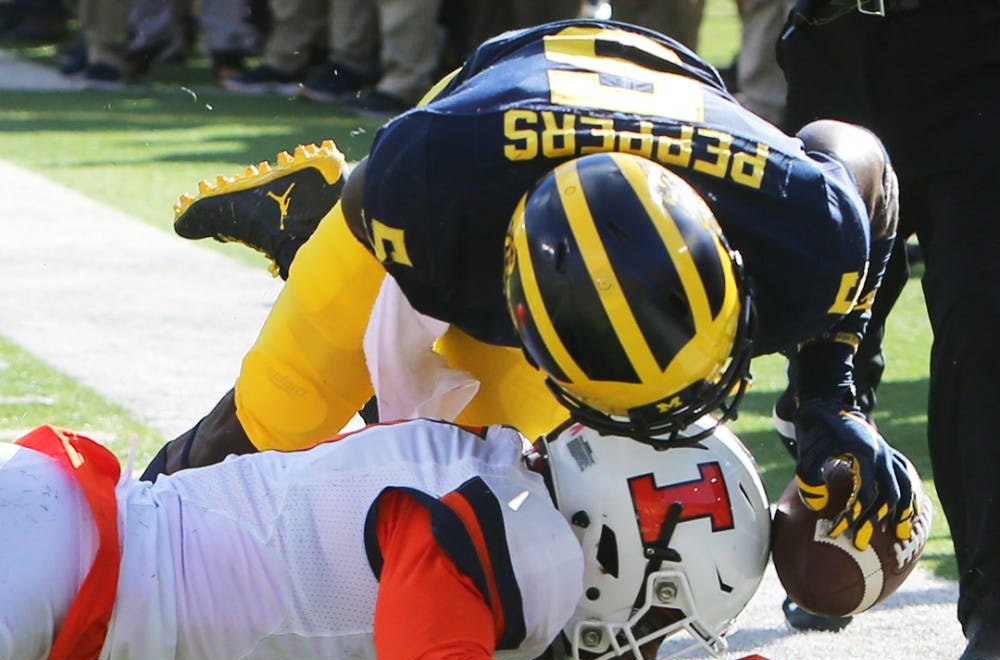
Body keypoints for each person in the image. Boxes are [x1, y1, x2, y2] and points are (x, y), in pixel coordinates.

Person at [153, 19, 919, 560]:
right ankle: (306, 225)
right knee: (271, 437)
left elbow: (865, 161)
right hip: (463, 164)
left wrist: (831, 395)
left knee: (505, 520)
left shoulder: (796, 216)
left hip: (642, 111)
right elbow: (402, 197)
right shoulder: (426, 187)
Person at [0, 418, 785, 660]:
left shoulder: (501, 483)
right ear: (626, 542)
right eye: (660, 612)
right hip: (52, 573)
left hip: (56, 541)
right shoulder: (518, 530)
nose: (645, 637)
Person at [774, 0, 1000, 660]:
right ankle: (841, 529)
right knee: (826, 317)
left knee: (983, 323)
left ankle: (995, 608)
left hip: (977, 55)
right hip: (835, 39)